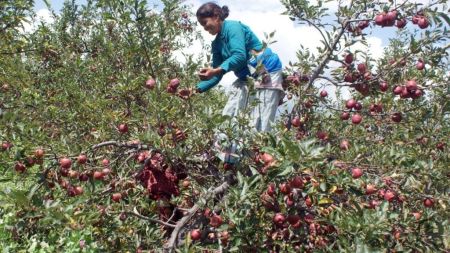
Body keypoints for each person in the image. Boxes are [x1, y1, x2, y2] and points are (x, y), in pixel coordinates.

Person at [195, 2, 284, 133]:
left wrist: (215, 70)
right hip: (247, 77)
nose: (204, 28)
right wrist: (196, 90)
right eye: (202, 25)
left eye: (205, 23)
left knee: (261, 123)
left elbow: (239, 56)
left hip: (266, 72)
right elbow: (217, 75)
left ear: (216, 16)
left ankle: (261, 150)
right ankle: (233, 152)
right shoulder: (216, 44)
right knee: (233, 118)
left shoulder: (233, 27)